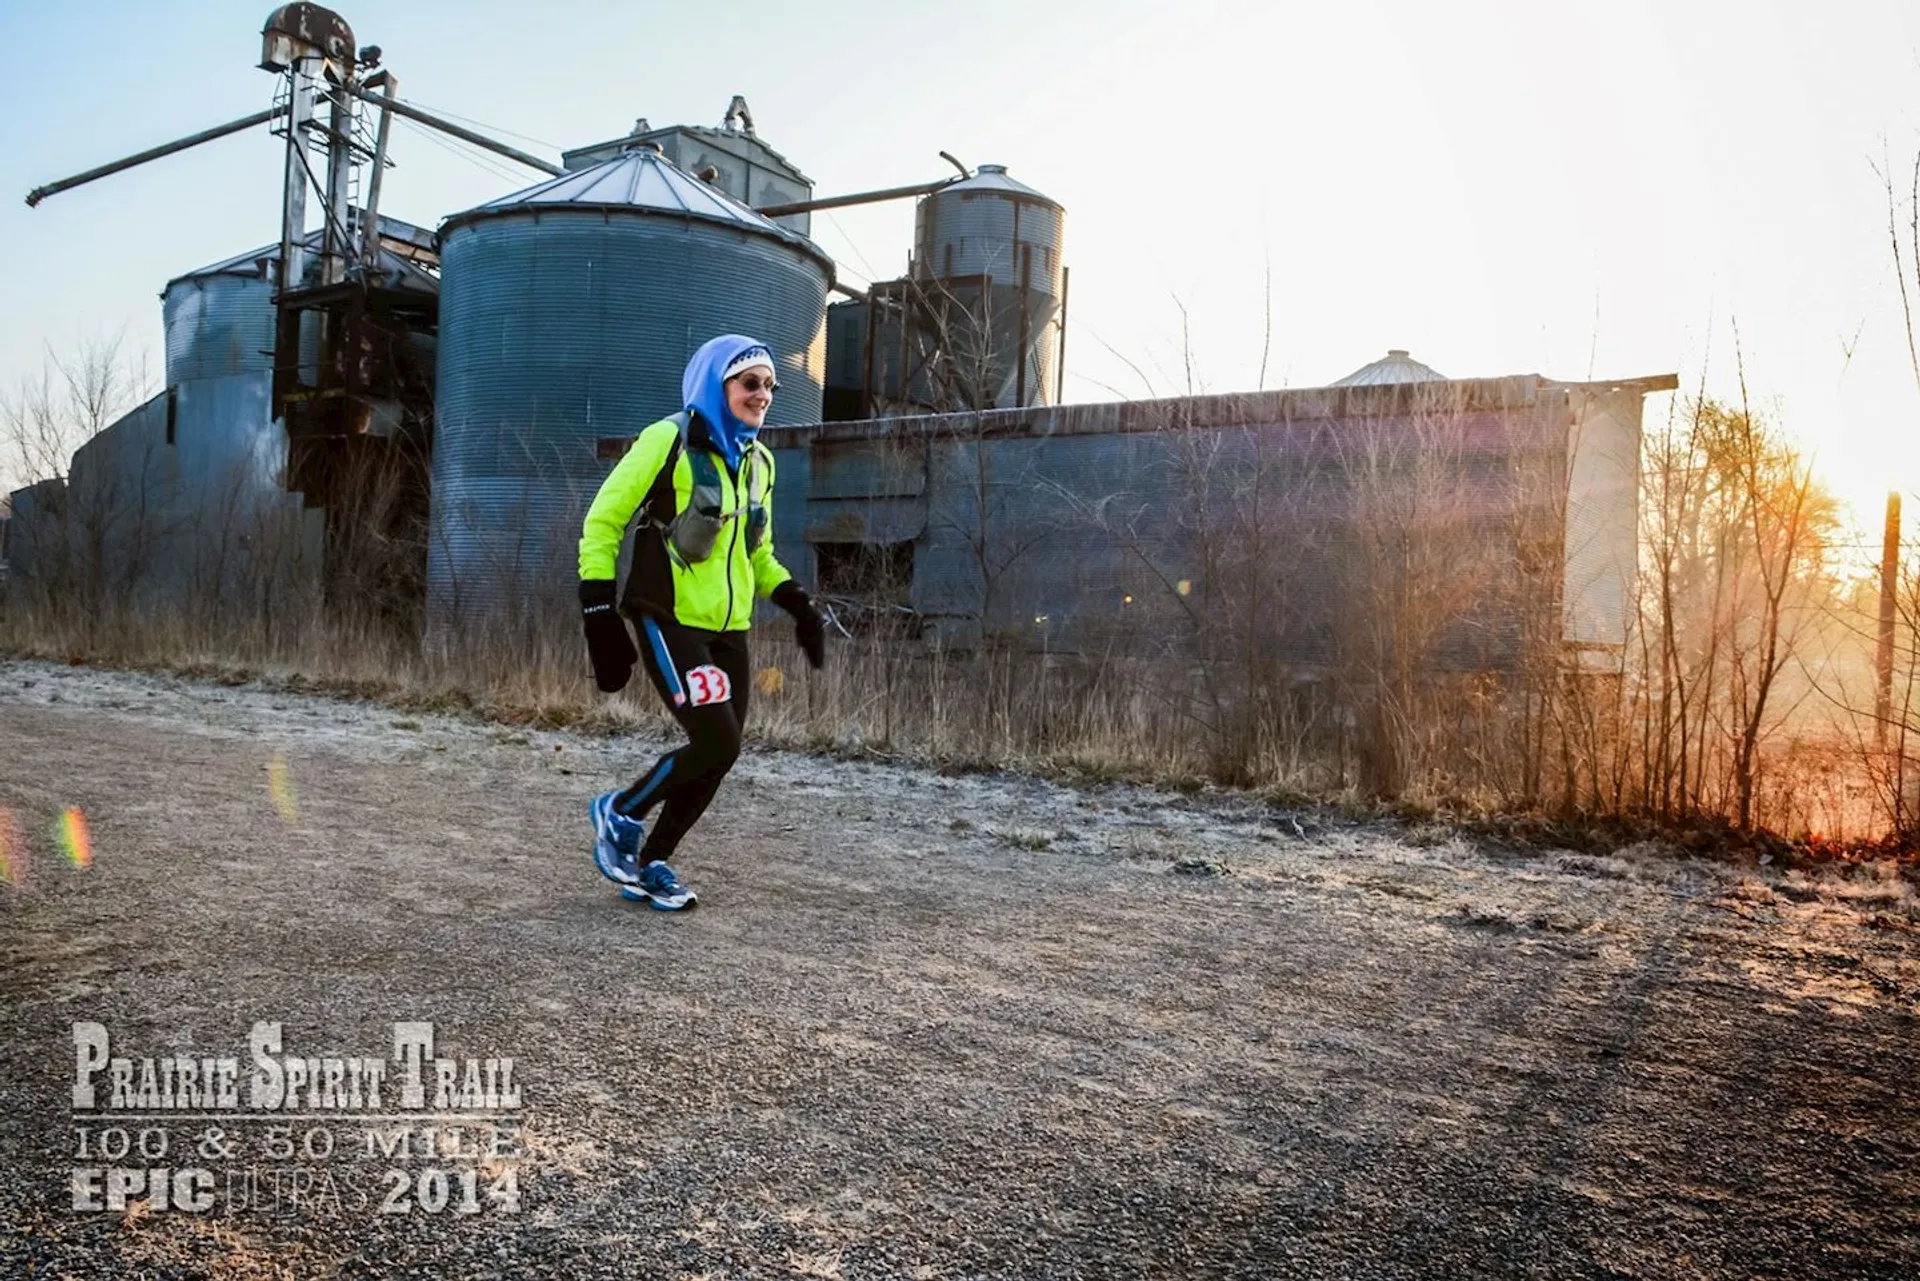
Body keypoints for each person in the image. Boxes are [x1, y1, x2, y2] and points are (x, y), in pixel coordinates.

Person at [576, 334, 826, 910]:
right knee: (715, 739)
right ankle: (621, 811)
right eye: (750, 383)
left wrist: (796, 602)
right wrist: (598, 611)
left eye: (770, 385)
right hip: (669, 616)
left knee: (722, 750)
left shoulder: (760, 463)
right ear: (717, 385)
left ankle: (651, 863)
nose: (763, 395)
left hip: (729, 628)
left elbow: (757, 554)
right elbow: (603, 520)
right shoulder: (667, 440)